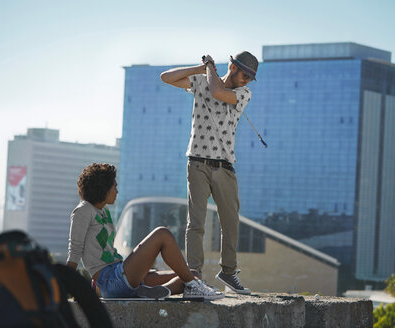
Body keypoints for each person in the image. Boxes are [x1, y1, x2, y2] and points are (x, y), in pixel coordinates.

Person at [160, 52, 258, 294]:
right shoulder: (202, 81)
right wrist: (201, 67)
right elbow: (166, 77)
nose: (247, 80)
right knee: (196, 223)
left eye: (250, 77)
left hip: (224, 166)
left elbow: (217, 93)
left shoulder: (243, 94)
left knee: (231, 222)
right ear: (233, 67)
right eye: (245, 73)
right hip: (197, 163)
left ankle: (228, 271)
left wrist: (210, 69)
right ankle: (193, 276)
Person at [66, 163, 223, 300]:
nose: (117, 191)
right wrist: (63, 288)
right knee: (162, 234)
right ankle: (177, 288)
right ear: (103, 189)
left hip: (120, 272)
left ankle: (148, 292)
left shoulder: (103, 211)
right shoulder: (83, 210)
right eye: (114, 187)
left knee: (192, 275)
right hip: (112, 280)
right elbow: (75, 250)